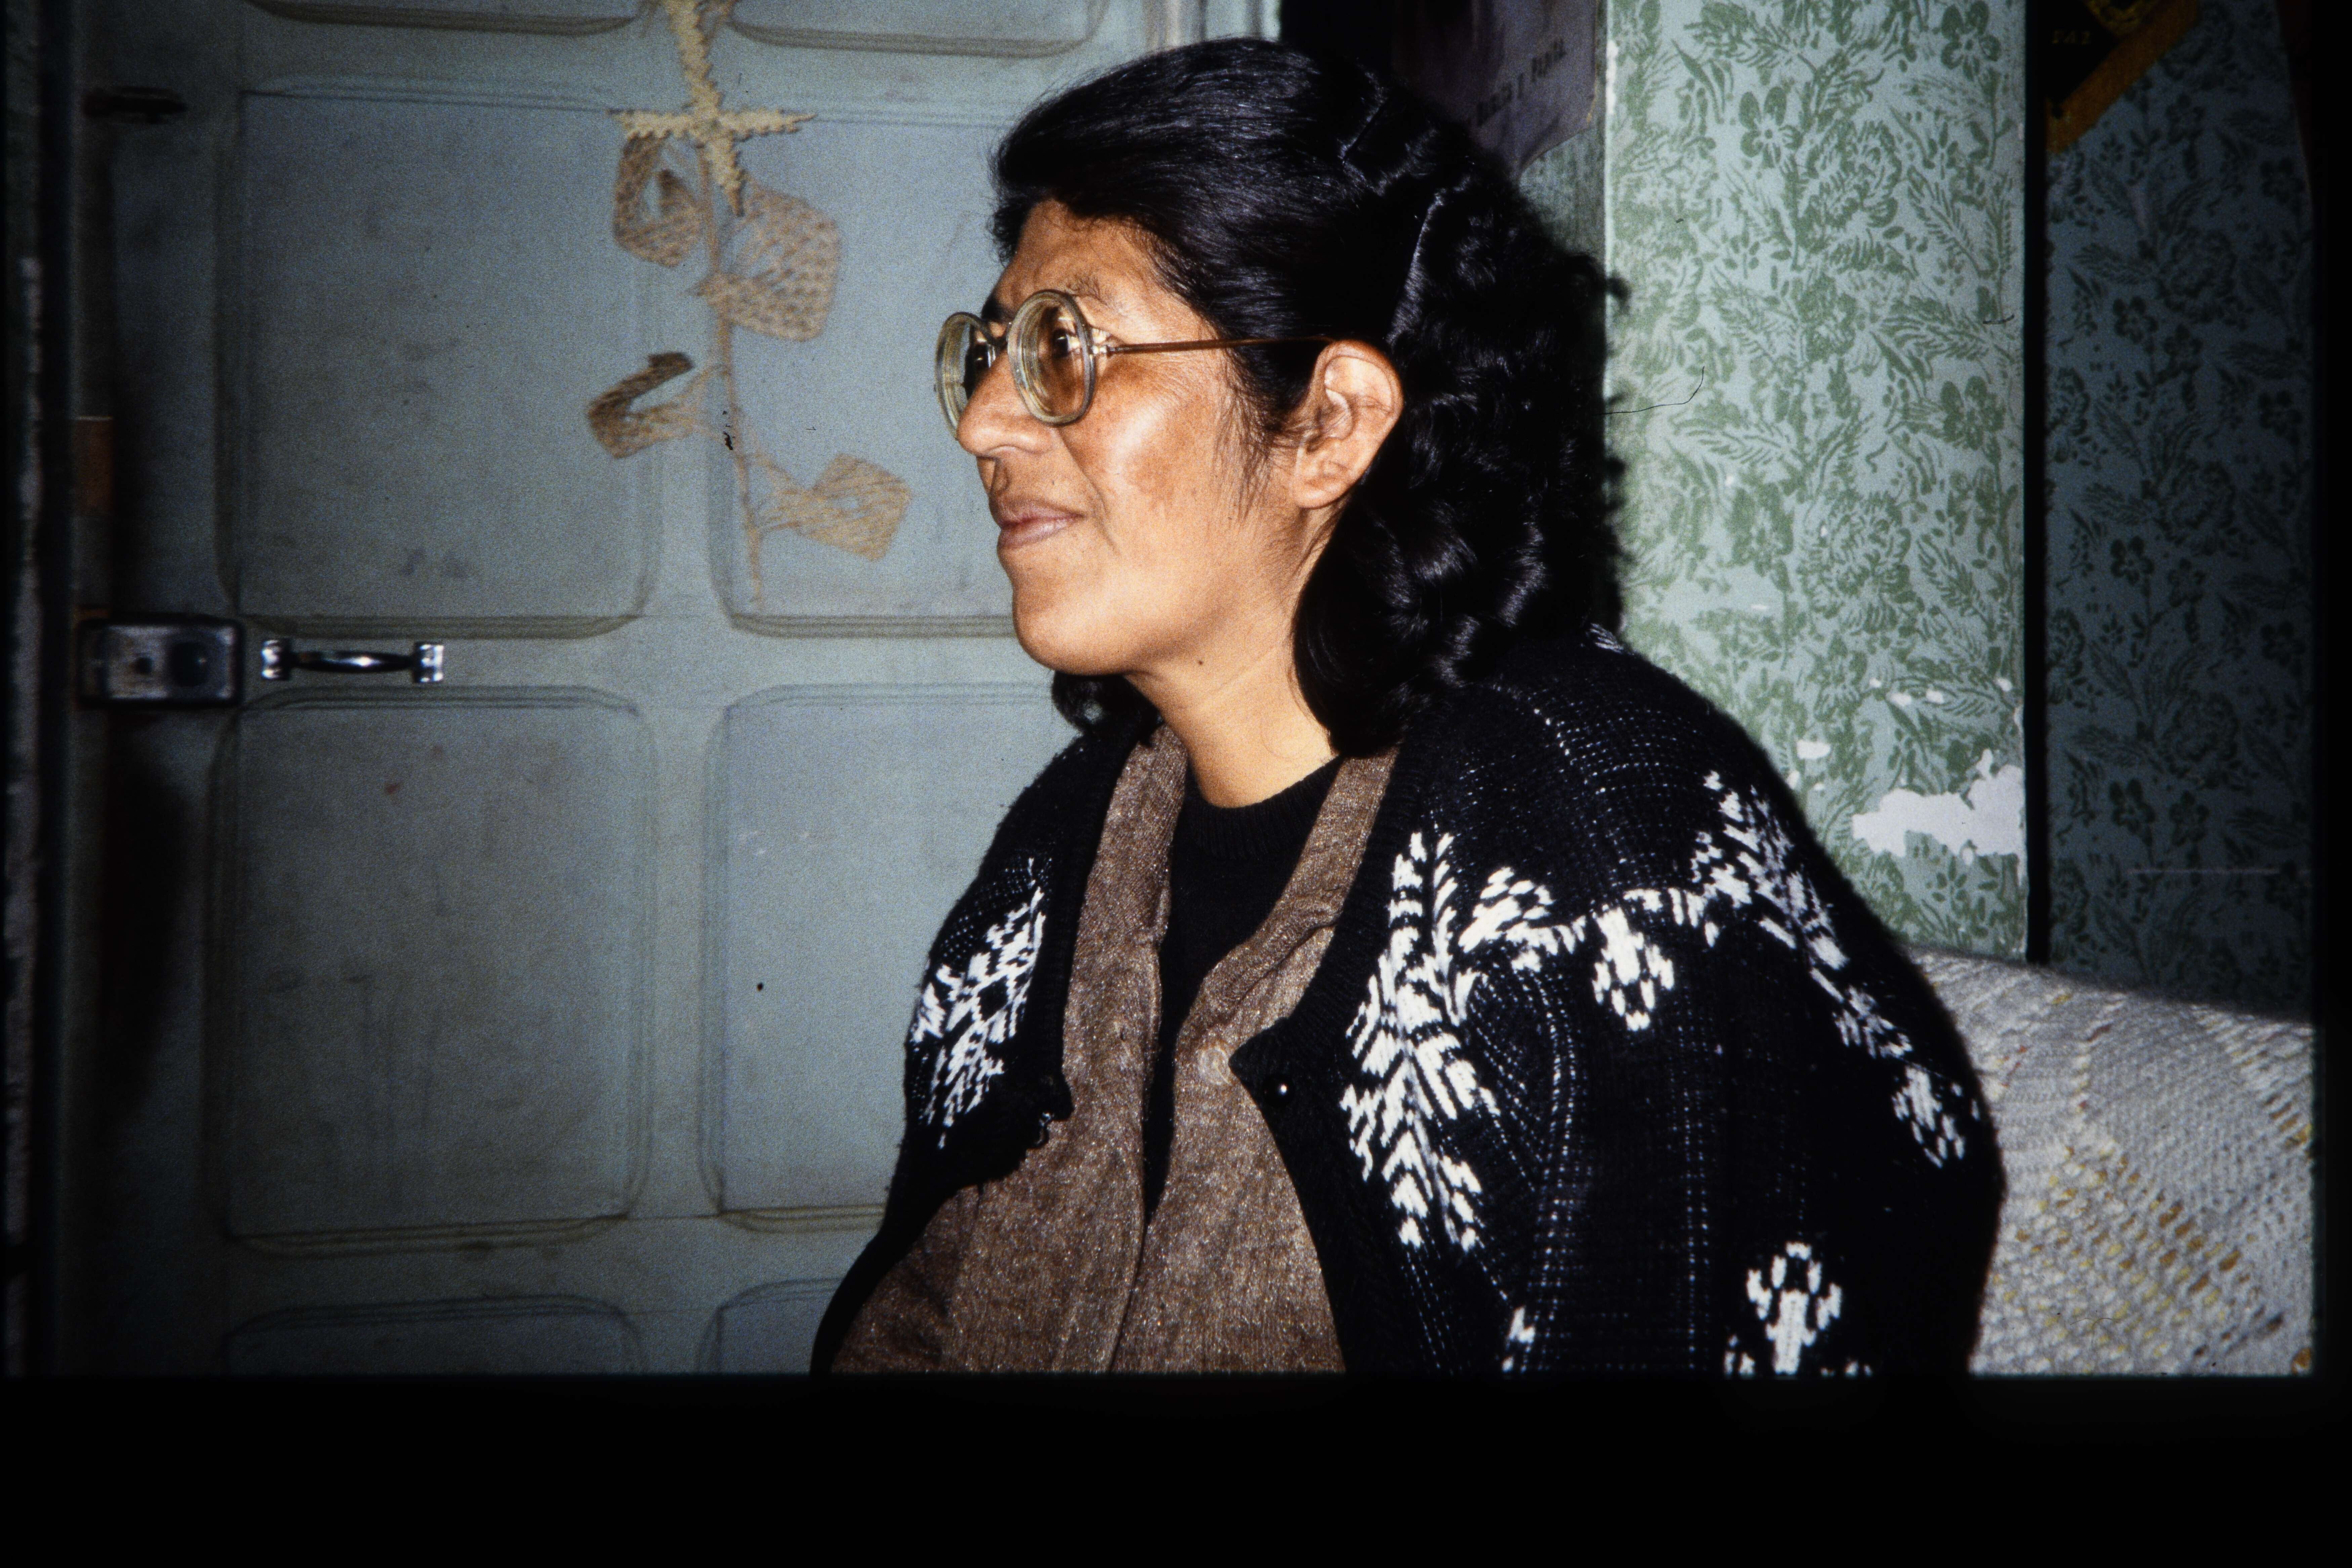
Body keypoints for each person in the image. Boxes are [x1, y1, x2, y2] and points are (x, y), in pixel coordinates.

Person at [814, 38, 2000, 1375]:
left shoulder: (1596, 823)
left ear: (1330, 422)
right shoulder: (1061, 851)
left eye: (1063, 348)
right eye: (990, 351)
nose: (982, 422)